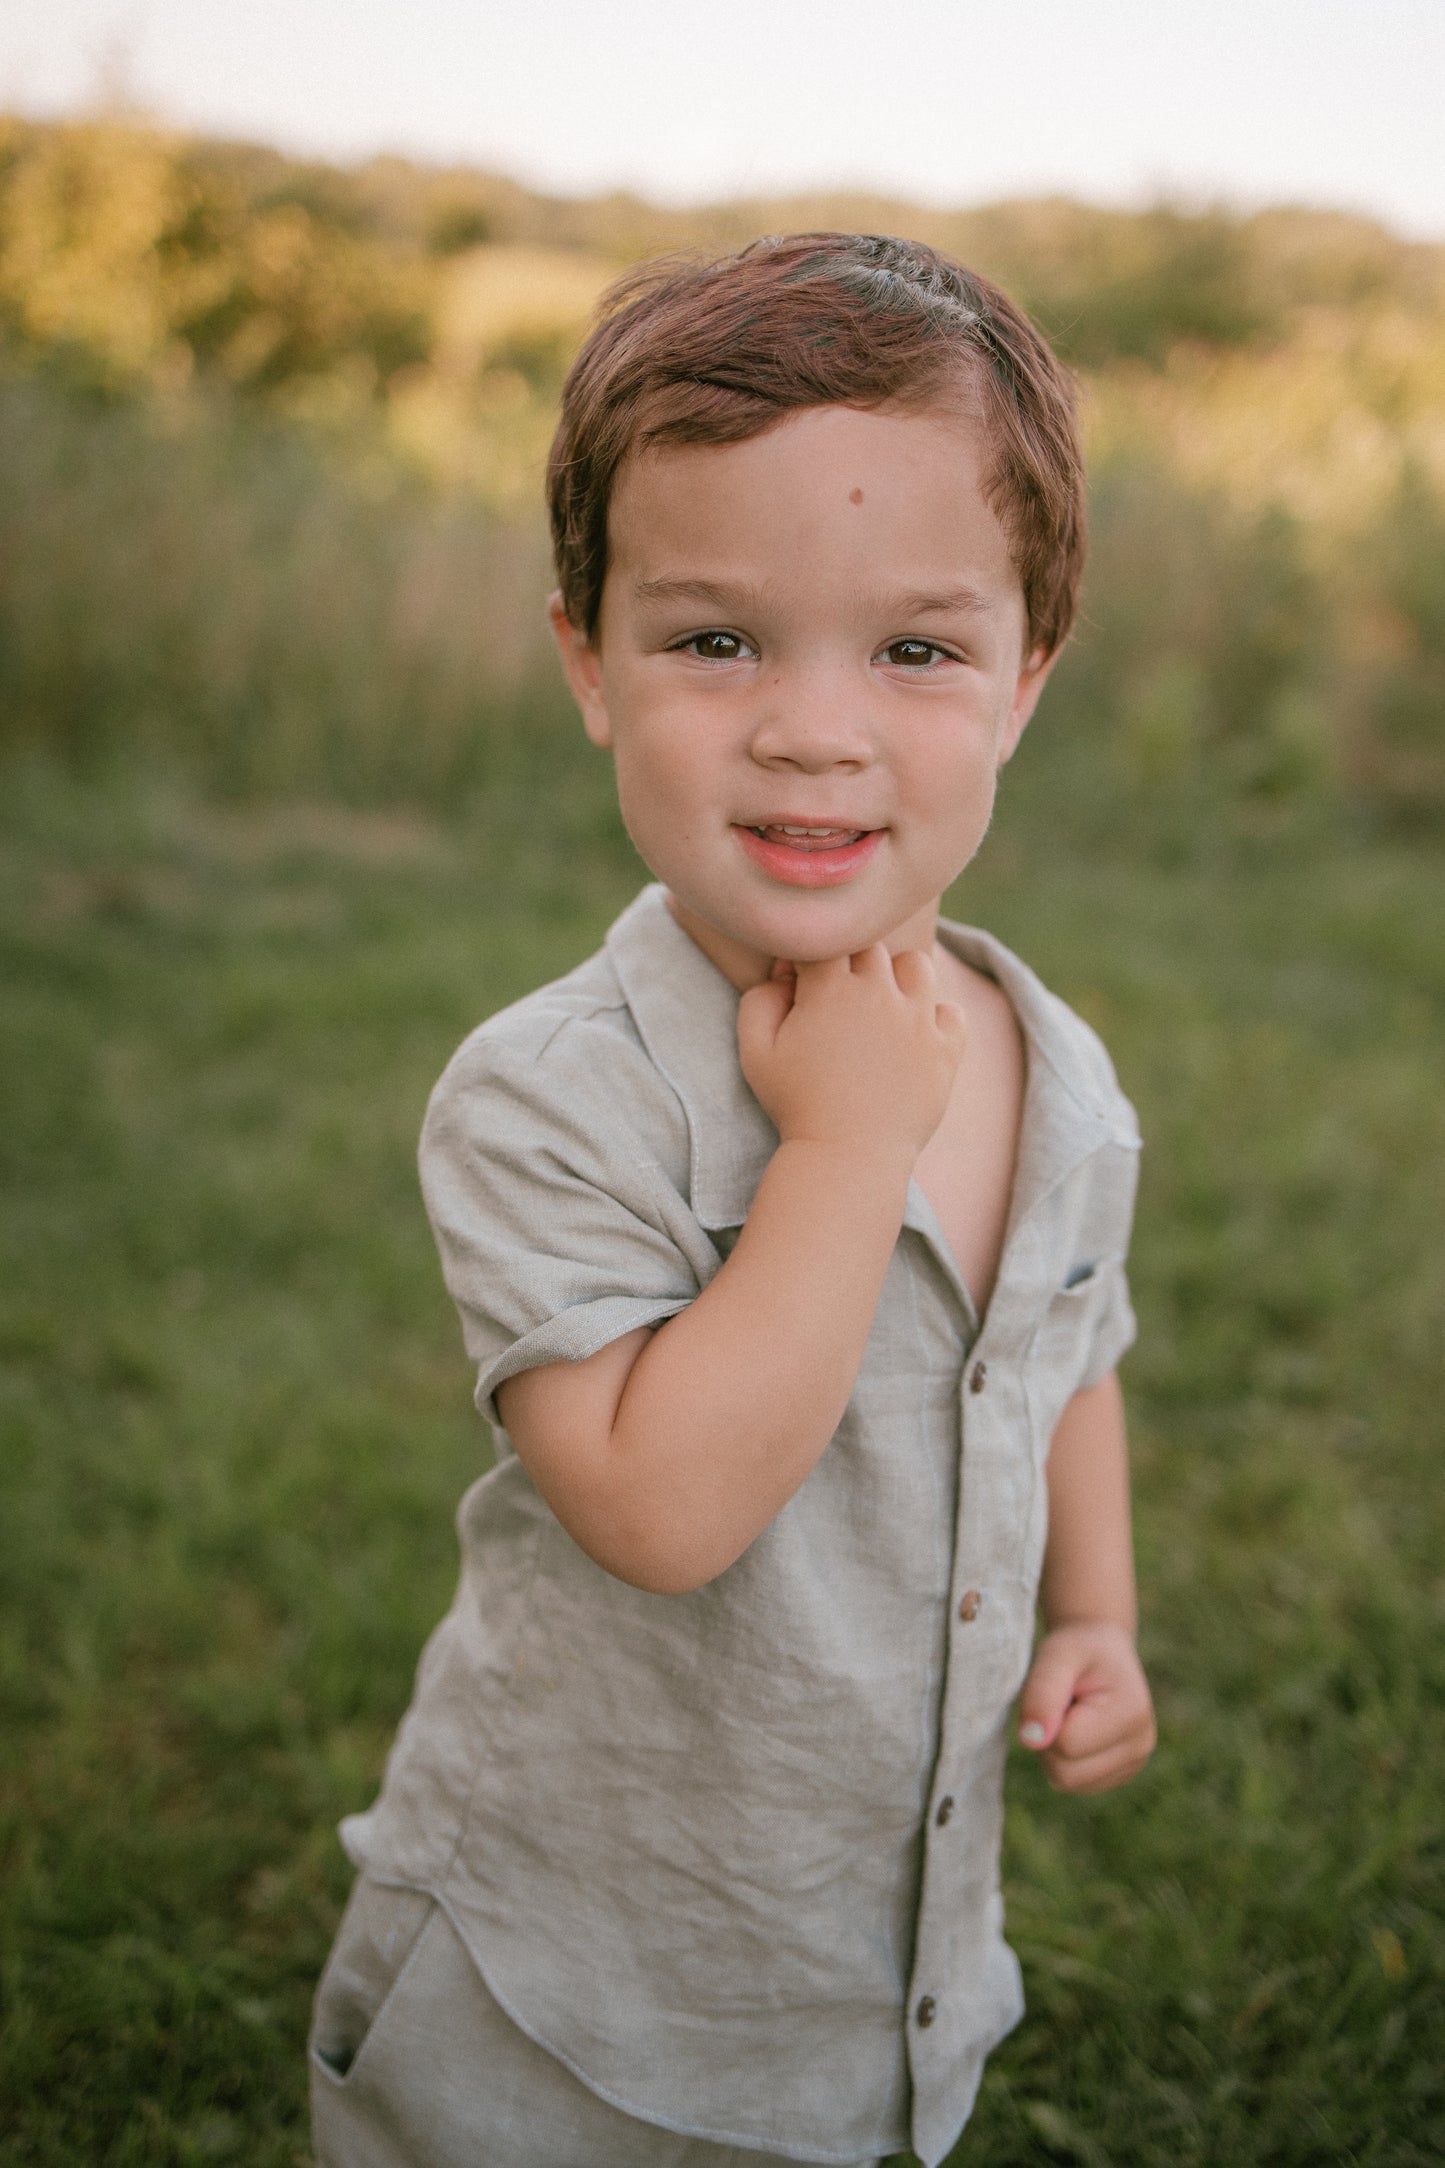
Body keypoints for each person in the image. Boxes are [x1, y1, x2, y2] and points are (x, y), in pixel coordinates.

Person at [309, 232, 1156, 2168]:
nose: (813, 728)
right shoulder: (553, 1095)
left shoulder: (1051, 1063)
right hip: (567, 1995)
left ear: (1024, 682)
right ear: (588, 665)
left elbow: (1068, 1350)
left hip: (861, 1972)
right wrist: (844, 1150)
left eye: (916, 650)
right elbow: (661, 1509)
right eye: (715, 641)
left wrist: (1096, 1614)